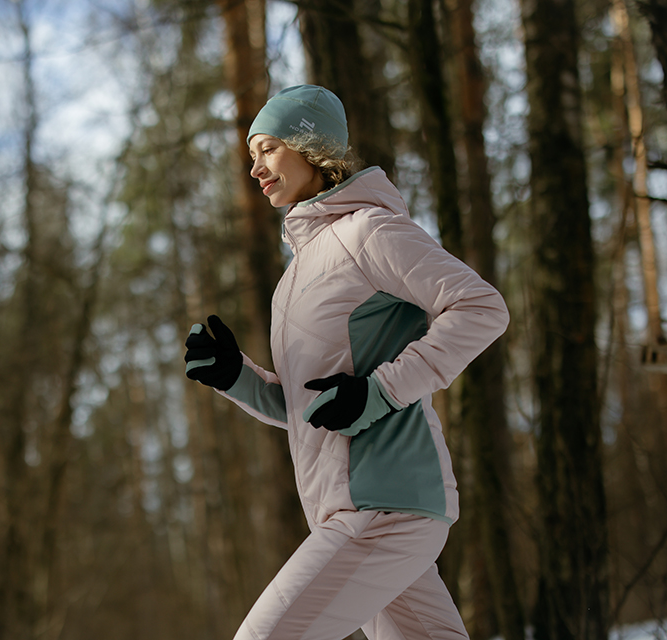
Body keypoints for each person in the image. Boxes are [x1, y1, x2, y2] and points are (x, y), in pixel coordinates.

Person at [183, 85, 509, 640]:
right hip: (349, 507)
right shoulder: (294, 278)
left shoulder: (369, 231)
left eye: (267, 148)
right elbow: (314, 406)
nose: (256, 168)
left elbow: (481, 308)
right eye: (250, 156)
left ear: (311, 148)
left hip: (384, 505)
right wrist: (235, 376)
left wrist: (379, 390)